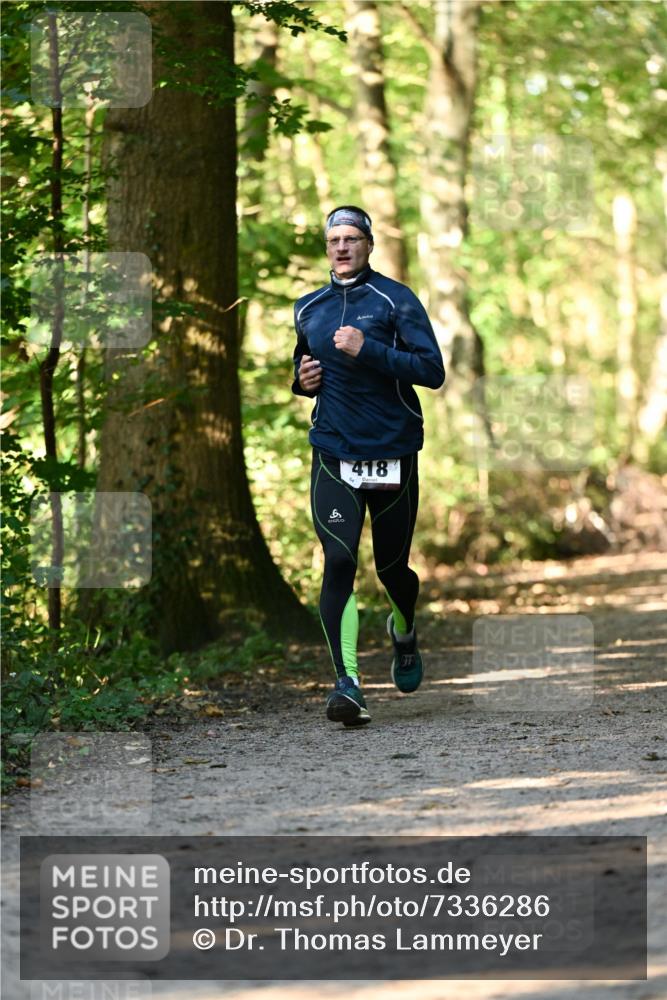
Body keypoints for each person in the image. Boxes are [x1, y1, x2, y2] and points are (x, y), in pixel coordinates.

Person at [291, 206, 445, 726]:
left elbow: (432, 371)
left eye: (352, 238)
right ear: (326, 246)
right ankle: (348, 684)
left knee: (391, 569)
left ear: (369, 245)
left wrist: (370, 349)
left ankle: (404, 629)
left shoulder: (395, 300)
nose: (342, 246)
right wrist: (302, 381)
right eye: (334, 239)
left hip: (392, 449)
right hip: (334, 451)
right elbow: (304, 364)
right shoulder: (308, 307)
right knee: (339, 561)